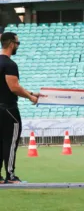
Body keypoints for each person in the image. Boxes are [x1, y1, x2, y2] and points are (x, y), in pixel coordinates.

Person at [0, 32, 39, 184]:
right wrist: (30, 97)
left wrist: (31, 92)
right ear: (11, 44)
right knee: (10, 142)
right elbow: (14, 87)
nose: (18, 46)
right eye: (17, 43)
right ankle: (10, 175)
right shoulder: (10, 64)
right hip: (9, 110)